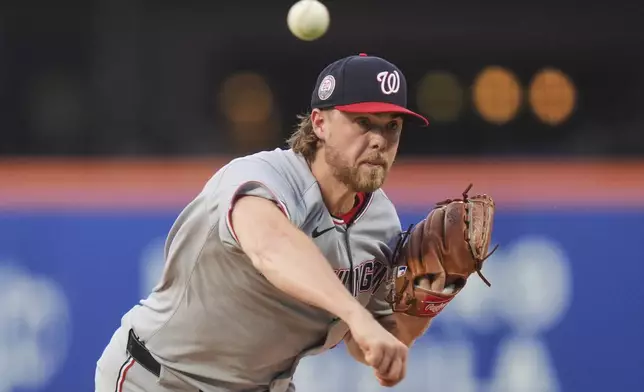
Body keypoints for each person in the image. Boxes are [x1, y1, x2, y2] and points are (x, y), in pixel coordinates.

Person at [95, 52, 432, 392]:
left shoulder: (381, 222)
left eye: (392, 126)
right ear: (319, 124)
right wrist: (356, 316)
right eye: (363, 123)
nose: (379, 140)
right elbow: (272, 248)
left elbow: (367, 344)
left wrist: (431, 298)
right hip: (162, 378)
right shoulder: (260, 177)